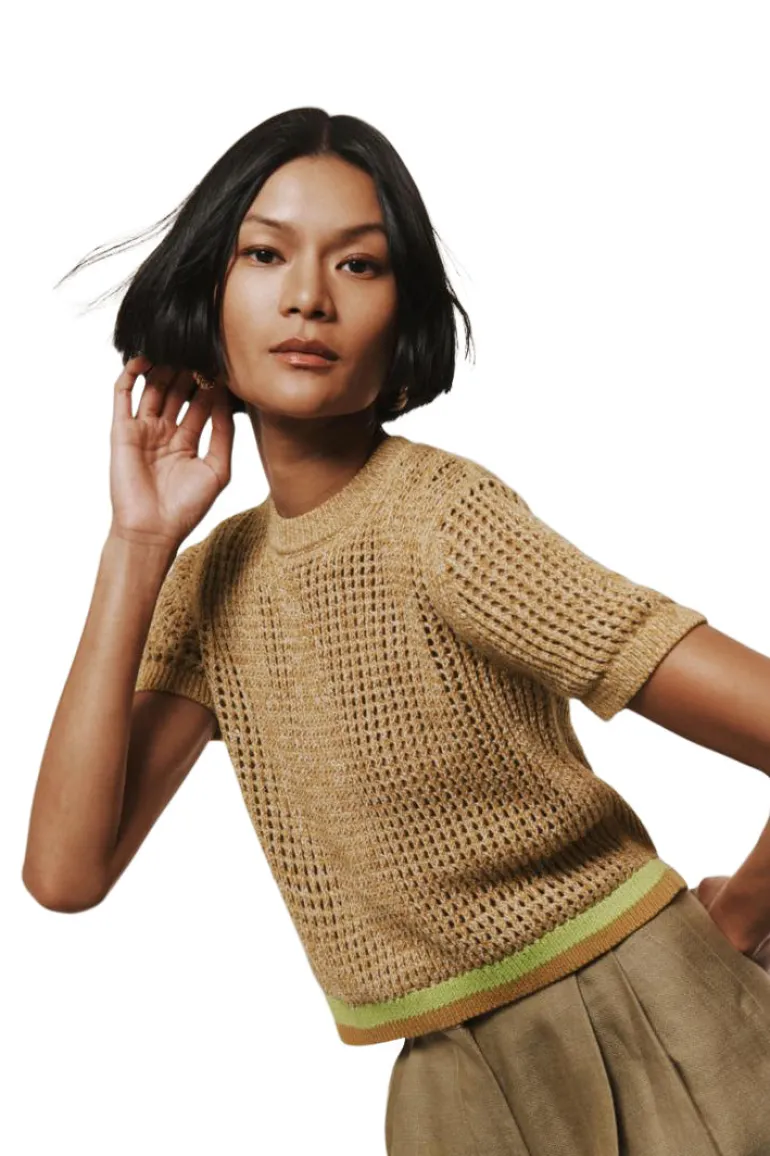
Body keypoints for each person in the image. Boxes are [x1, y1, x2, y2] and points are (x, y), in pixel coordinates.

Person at [23, 106, 770, 1154]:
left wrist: (743, 911)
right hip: (444, 1078)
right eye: (264, 253)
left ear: (401, 314)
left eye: (359, 264)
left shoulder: (441, 522)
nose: (307, 297)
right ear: (205, 299)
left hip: (650, 1020)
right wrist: (137, 543)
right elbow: (65, 874)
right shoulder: (212, 582)